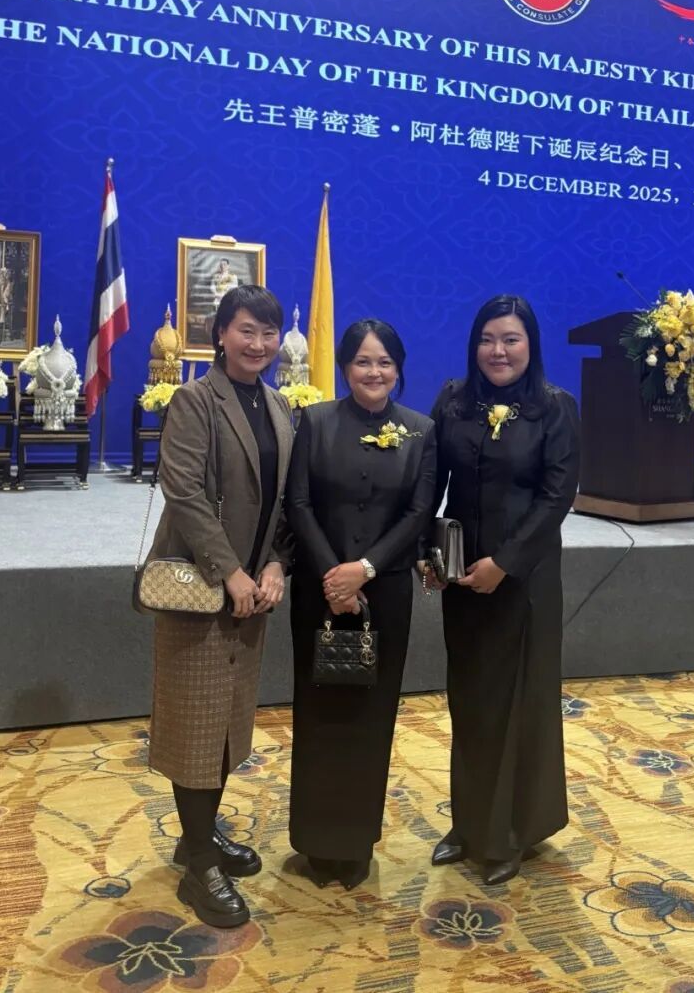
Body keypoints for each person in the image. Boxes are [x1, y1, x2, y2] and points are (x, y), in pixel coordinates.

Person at [146, 284, 294, 928]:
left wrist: (275, 564)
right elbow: (182, 491)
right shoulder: (195, 400)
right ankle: (200, 868)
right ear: (221, 335)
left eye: (268, 332)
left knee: (228, 722)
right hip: (203, 591)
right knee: (195, 726)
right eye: (246, 330)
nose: (258, 344)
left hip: (252, 593)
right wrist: (230, 571)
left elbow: (287, 499)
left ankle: (196, 840)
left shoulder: (279, 406)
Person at [425, 295, 580, 885]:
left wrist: (506, 564)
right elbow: (430, 484)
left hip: (525, 582)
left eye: (511, 339)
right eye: (488, 339)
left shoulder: (554, 408)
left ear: (530, 345)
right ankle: (469, 823)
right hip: (462, 577)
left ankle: (511, 832)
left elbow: (556, 498)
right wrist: (428, 554)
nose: (498, 351)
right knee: (469, 700)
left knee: (517, 704)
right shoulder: (454, 402)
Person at [286, 319, 437, 890]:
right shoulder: (316, 421)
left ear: (398, 368)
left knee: (372, 714)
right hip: (319, 590)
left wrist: (364, 570)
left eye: (385, 362)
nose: (374, 372)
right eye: (363, 362)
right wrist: (335, 575)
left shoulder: (420, 431)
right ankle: (314, 840)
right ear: (345, 367)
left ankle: (354, 845)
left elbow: (419, 513)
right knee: (318, 710)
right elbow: (299, 502)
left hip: (385, 592)